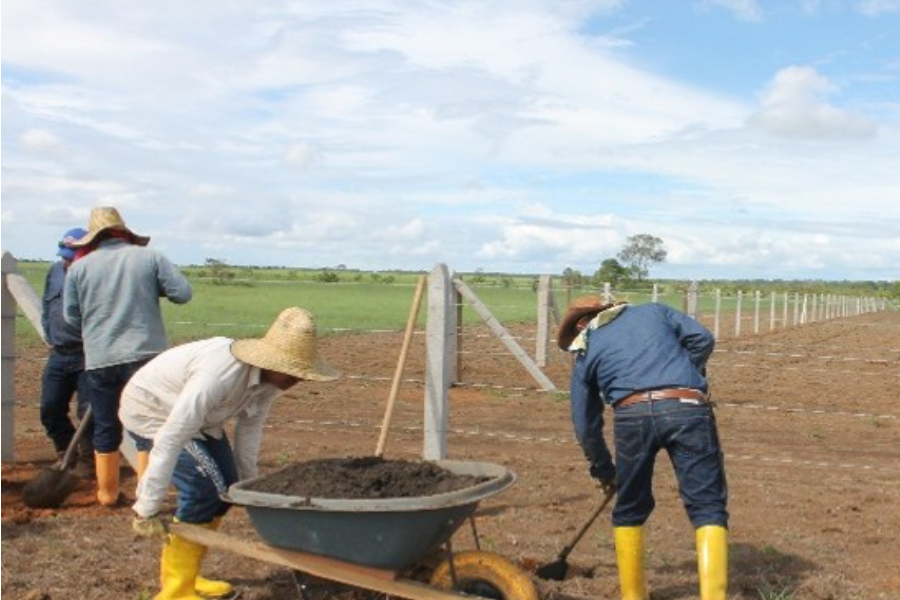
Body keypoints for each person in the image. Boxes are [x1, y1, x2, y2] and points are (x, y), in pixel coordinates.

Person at [122, 307, 339, 600]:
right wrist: (147, 505)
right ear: (272, 359)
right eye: (292, 371)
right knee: (203, 490)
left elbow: (250, 431)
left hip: (202, 420)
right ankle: (175, 592)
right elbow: (172, 435)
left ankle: (190, 577)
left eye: (301, 373)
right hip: (155, 411)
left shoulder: (271, 383)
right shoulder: (218, 375)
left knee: (227, 491)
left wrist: (251, 489)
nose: (297, 379)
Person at [558, 297, 728, 600]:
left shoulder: (585, 350)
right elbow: (703, 338)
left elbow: (585, 425)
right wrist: (687, 373)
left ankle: (634, 596)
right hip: (688, 407)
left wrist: (604, 470)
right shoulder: (653, 310)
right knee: (707, 506)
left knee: (629, 509)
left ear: (582, 325)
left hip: (631, 417)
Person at [63, 206, 193, 506]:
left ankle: (107, 494)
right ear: (124, 232)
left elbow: (71, 318)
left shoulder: (79, 269)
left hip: (100, 357)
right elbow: (182, 294)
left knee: (106, 425)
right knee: (147, 424)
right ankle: (147, 492)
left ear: (94, 238)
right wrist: (149, 290)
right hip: (147, 357)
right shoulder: (151, 257)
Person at [39, 227, 94, 477]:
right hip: (59, 354)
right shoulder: (54, 271)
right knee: (50, 408)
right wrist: (49, 336)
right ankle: (65, 452)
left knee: (88, 412)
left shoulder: (93, 275)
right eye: (64, 255)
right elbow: (45, 306)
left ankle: (87, 461)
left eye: (71, 256)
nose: (66, 260)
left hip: (88, 355)